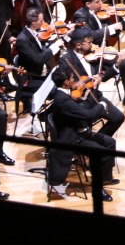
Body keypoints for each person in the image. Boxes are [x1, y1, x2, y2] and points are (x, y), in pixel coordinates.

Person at [44, 68, 119, 200]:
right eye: (73, 78)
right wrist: (101, 105)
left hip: (79, 131)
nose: (76, 81)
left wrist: (86, 97)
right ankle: (98, 188)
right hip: (72, 138)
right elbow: (88, 115)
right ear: (66, 82)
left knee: (110, 142)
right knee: (101, 152)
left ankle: (105, 178)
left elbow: (79, 109)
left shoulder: (63, 94)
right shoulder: (62, 100)